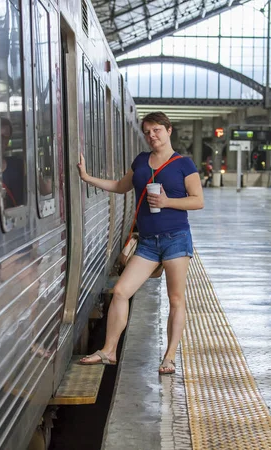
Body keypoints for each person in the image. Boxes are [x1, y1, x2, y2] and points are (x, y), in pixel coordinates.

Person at [77, 111, 204, 375]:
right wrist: (88, 178)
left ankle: (169, 357)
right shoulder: (141, 161)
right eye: (147, 132)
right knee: (121, 291)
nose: (151, 136)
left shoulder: (184, 164)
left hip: (176, 239)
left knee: (176, 298)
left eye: (156, 130)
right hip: (146, 242)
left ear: (169, 131)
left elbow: (197, 200)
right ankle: (108, 351)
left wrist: (167, 202)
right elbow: (121, 186)